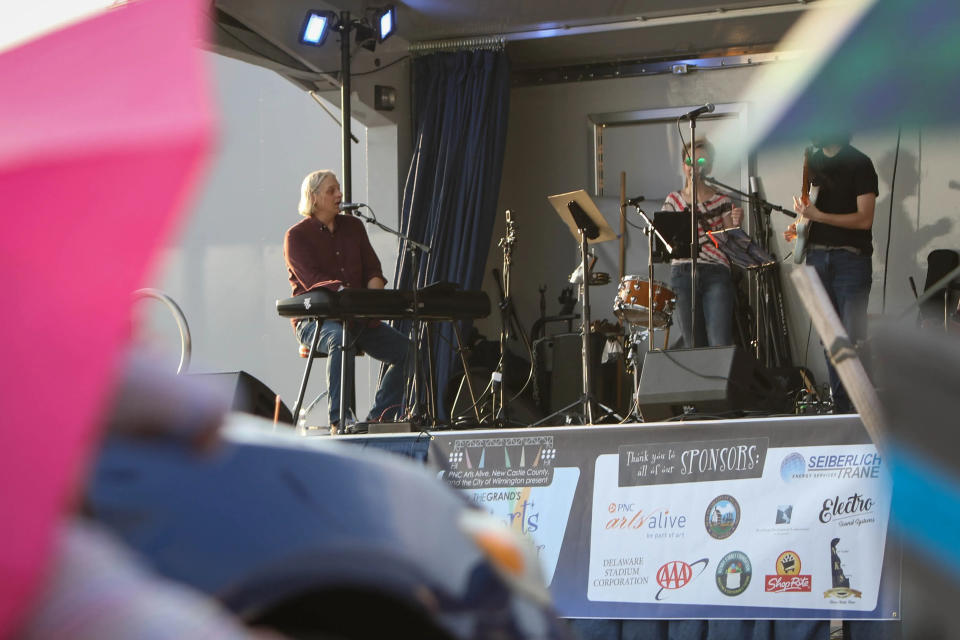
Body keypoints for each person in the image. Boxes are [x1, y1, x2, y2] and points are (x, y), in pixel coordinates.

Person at [284, 170, 409, 432]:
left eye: (338, 189)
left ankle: (379, 418)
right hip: (315, 322)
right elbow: (313, 280)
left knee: (409, 353)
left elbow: (373, 271)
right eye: (332, 190)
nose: (340, 195)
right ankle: (339, 420)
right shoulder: (296, 236)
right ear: (314, 198)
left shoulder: (354, 226)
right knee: (339, 339)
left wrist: (371, 303)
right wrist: (351, 297)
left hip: (357, 318)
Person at [784, 132, 878, 414]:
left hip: (851, 259)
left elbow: (864, 219)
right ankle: (841, 406)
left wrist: (817, 217)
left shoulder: (859, 163)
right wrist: (799, 226)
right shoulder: (812, 161)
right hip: (816, 255)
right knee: (829, 338)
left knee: (851, 337)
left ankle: (861, 406)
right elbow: (811, 207)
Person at [662, 137, 743, 348]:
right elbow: (664, 241)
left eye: (700, 163)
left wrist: (736, 223)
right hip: (683, 273)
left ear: (709, 166)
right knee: (693, 344)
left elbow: (730, 241)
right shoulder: (673, 200)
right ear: (683, 166)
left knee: (720, 341)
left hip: (715, 271)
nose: (694, 167)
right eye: (690, 162)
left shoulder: (722, 200)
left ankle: (723, 381)